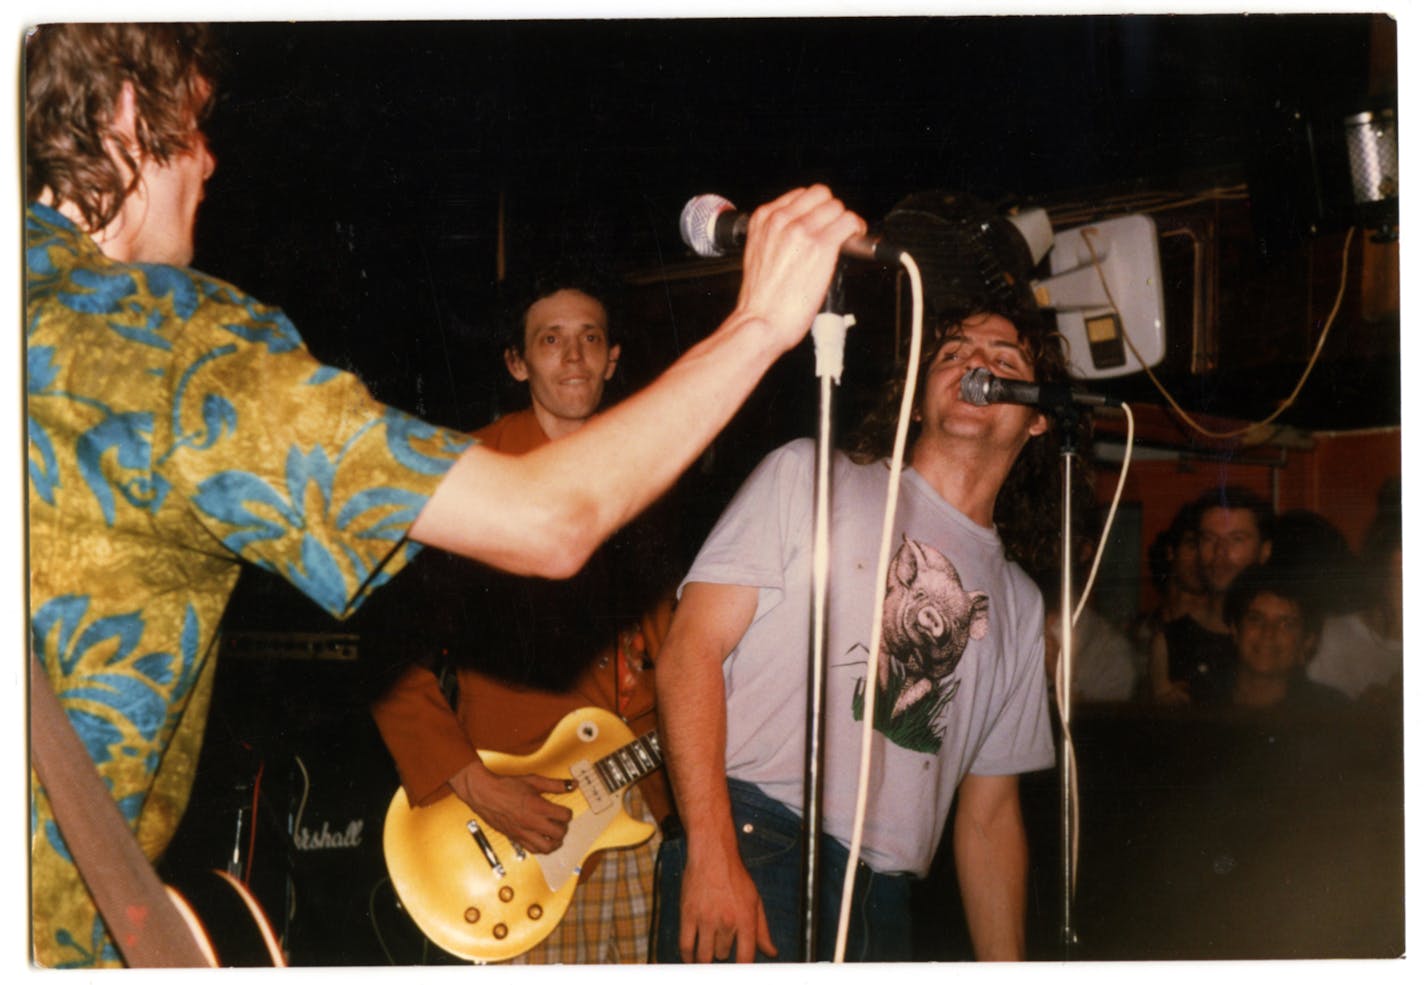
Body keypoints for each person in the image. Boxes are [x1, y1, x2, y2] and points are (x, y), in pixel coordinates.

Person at [24, 24, 863, 969]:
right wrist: (758, 321)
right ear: (134, 114)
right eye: (198, 122)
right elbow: (539, 525)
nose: (212, 159)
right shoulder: (176, 345)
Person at [651, 192, 1078, 963]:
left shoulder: (1018, 601)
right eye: (952, 353)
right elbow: (688, 654)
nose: (976, 364)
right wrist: (712, 854)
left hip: (887, 894)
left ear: (1039, 414)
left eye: (1003, 361)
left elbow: (987, 815)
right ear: (917, 395)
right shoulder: (808, 475)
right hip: (761, 838)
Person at [367, 271, 676, 963]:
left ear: (614, 358)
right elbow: (387, 654)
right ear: (516, 361)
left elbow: (677, 652)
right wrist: (476, 783)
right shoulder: (469, 474)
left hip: (633, 817)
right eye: (551, 339)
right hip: (511, 831)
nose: (573, 356)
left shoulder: (649, 478)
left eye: (591, 338)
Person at [1147, 486, 1273, 705]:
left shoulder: (1282, 634)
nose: (1220, 552)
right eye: (1209, 539)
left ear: (1264, 550)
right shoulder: (1172, 640)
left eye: (1237, 539)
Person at [1223, 565, 1346, 712]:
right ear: (1235, 630)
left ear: (1307, 642)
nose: (1268, 633)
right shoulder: (1199, 700)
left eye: (1287, 624)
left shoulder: (1331, 711)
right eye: (1256, 619)